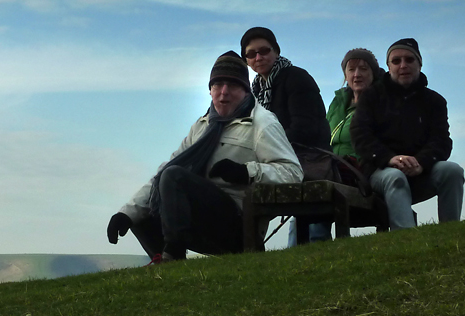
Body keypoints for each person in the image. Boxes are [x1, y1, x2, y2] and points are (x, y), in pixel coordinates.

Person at [106, 51, 303, 262]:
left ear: (246, 91)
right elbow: (164, 172)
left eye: (233, 85)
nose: (224, 92)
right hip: (198, 219)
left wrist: (247, 171)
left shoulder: (262, 123)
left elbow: (293, 173)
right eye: (218, 85)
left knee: (174, 176)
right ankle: (166, 267)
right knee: (143, 209)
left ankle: (173, 253)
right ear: (210, 91)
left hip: (238, 223)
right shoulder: (202, 126)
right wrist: (126, 213)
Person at [350, 38, 465, 229]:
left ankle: (451, 231)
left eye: (409, 60)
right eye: (396, 61)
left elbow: (442, 140)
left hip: (422, 170)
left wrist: (421, 162)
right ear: (388, 66)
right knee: (395, 177)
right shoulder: (371, 97)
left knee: (452, 171)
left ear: (419, 64)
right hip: (381, 172)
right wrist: (390, 159)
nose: (403, 65)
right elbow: (360, 136)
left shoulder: (435, 101)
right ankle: (406, 238)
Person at [238, 27, 331, 246]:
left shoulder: (296, 77)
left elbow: (306, 126)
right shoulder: (256, 89)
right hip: (277, 157)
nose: (258, 57)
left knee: (313, 224)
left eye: (264, 50)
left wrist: (270, 150)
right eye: (251, 54)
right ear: (247, 60)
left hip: (309, 157)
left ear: (276, 51)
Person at [303, 48, 383, 242]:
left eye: (363, 69)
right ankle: (298, 254)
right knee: (303, 190)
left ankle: (317, 248)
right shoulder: (337, 104)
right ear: (345, 75)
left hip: (359, 171)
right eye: (351, 69)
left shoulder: (380, 102)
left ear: (373, 73)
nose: (357, 74)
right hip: (331, 168)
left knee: (316, 192)